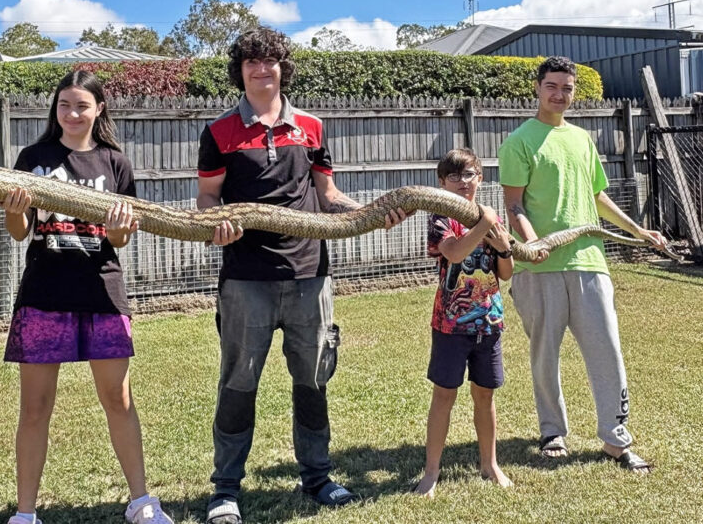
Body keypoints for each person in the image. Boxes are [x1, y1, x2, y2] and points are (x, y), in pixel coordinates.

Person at [196, 27, 407, 524]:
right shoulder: (219, 131)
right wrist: (214, 222)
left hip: (311, 274)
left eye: (269, 61)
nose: (261, 69)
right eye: (251, 62)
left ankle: (317, 477)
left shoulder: (311, 126)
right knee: (238, 382)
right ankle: (225, 489)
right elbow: (208, 198)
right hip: (246, 278)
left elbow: (328, 196)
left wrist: (372, 214)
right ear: (240, 71)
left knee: (313, 380)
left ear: (282, 68)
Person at [0, 70, 173, 524]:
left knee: (118, 399)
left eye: (81, 105)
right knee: (35, 408)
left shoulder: (115, 163)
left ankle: (141, 502)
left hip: (102, 294)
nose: (72, 114)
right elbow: (20, 232)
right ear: (55, 109)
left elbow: (120, 241)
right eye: (64, 105)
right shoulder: (33, 158)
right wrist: (14, 211)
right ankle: (25, 513)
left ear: (99, 110)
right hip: (44, 294)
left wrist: (118, 229)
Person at [499, 56, 666, 473]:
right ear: (537, 88)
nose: (559, 94)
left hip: (590, 261)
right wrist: (532, 242)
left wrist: (637, 230)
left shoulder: (581, 139)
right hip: (538, 268)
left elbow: (597, 197)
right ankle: (552, 431)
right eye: (552, 86)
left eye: (567, 88)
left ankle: (615, 438)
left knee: (607, 351)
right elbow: (514, 204)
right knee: (545, 355)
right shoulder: (519, 141)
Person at [413, 148, 514, 498]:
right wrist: (485, 224)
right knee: (444, 394)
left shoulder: (491, 219)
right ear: (442, 183)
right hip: (450, 324)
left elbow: (506, 272)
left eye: (468, 174)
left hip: (489, 321)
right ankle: (431, 472)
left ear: (480, 179)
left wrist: (503, 248)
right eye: (453, 176)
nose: (462, 182)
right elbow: (455, 253)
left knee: (485, 395)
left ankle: (490, 465)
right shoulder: (440, 218)